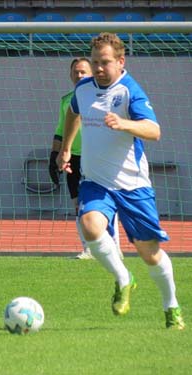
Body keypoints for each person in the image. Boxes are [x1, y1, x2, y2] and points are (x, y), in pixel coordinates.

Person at [57, 32, 184, 329]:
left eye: (105, 63)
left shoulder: (130, 91)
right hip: (96, 181)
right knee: (89, 224)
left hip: (133, 186)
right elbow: (73, 113)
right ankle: (123, 278)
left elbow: (154, 131)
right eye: (95, 62)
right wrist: (65, 149)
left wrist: (123, 122)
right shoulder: (84, 89)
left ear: (120, 62)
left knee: (149, 254)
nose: (98, 69)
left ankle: (171, 306)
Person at [49, 58, 122, 260]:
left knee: (103, 201)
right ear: (70, 75)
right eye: (75, 72)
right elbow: (60, 130)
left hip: (98, 156)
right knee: (78, 204)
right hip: (74, 157)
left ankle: (114, 246)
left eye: (83, 72)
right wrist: (54, 155)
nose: (79, 75)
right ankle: (88, 248)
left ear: (91, 74)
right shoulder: (67, 100)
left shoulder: (101, 97)